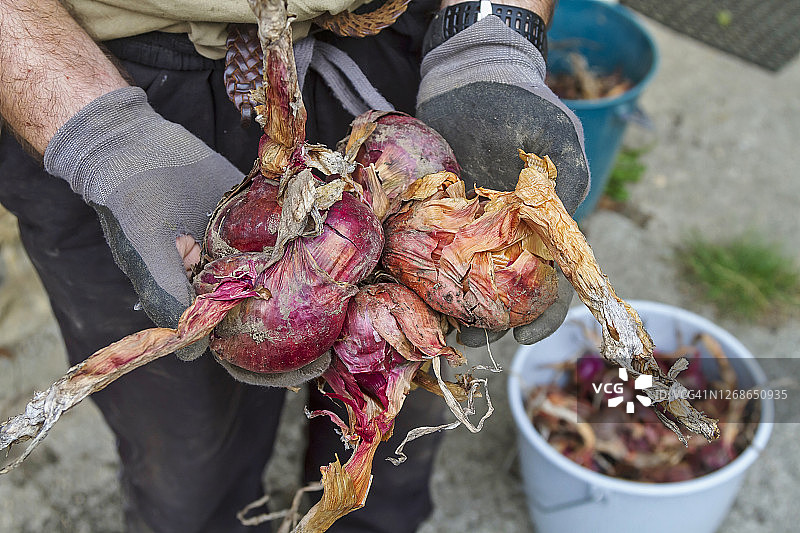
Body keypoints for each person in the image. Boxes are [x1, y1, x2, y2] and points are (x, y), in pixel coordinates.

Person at [0, 0, 589, 531]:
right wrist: (104, 137)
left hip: (401, 39)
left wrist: (490, 36)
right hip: (97, 73)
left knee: (399, 412)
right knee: (184, 455)